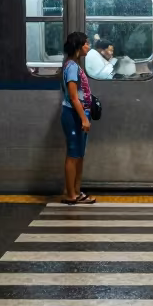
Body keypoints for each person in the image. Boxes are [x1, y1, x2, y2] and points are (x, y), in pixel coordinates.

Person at [60, 31, 96, 205]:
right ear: (77, 47)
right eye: (86, 43)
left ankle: (76, 190)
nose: (88, 46)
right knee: (73, 155)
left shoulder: (74, 65)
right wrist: (83, 118)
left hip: (80, 114)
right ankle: (70, 195)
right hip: (73, 115)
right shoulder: (72, 67)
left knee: (79, 155)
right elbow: (73, 97)